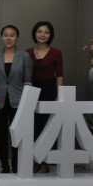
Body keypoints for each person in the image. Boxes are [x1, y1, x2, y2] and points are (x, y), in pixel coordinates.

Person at [0, 25, 33, 173]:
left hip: (18, 101)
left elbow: (28, 81)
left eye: (12, 35)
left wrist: (25, 102)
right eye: (5, 35)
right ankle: (5, 165)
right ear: (2, 37)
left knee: (16, 134)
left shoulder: (24, 56)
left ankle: (16, 165)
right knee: (1, 134)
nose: (8, 38)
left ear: (17, 38)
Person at [26, 20, 63, 173]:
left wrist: (59, 95)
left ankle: (45, 162)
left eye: (46, 32)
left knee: (47, 126)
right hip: (32, 90)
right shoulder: (27, 52)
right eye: (39, 31)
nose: (42, 35)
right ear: (35, 34)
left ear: (50, 35)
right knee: (33, 126)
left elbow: (59, 75)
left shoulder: (56, 53)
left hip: (49, 90)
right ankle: (34, 161)